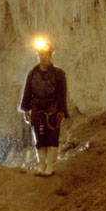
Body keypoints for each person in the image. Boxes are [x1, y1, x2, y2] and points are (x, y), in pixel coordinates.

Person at [20, 38, 68, 176]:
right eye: (41, 54)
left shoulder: (58, 74)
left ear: (50, 55)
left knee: (52, 138)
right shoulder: (32, 73)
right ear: (38, 55)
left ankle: (50, 166)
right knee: (39, 139)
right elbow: (27, 92)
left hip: (52, 110)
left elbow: (62, 94)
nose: (43, 57)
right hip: (37, 111)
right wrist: (26, 110)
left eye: (46, 54)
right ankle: (41, 166)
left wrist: (61, 110)